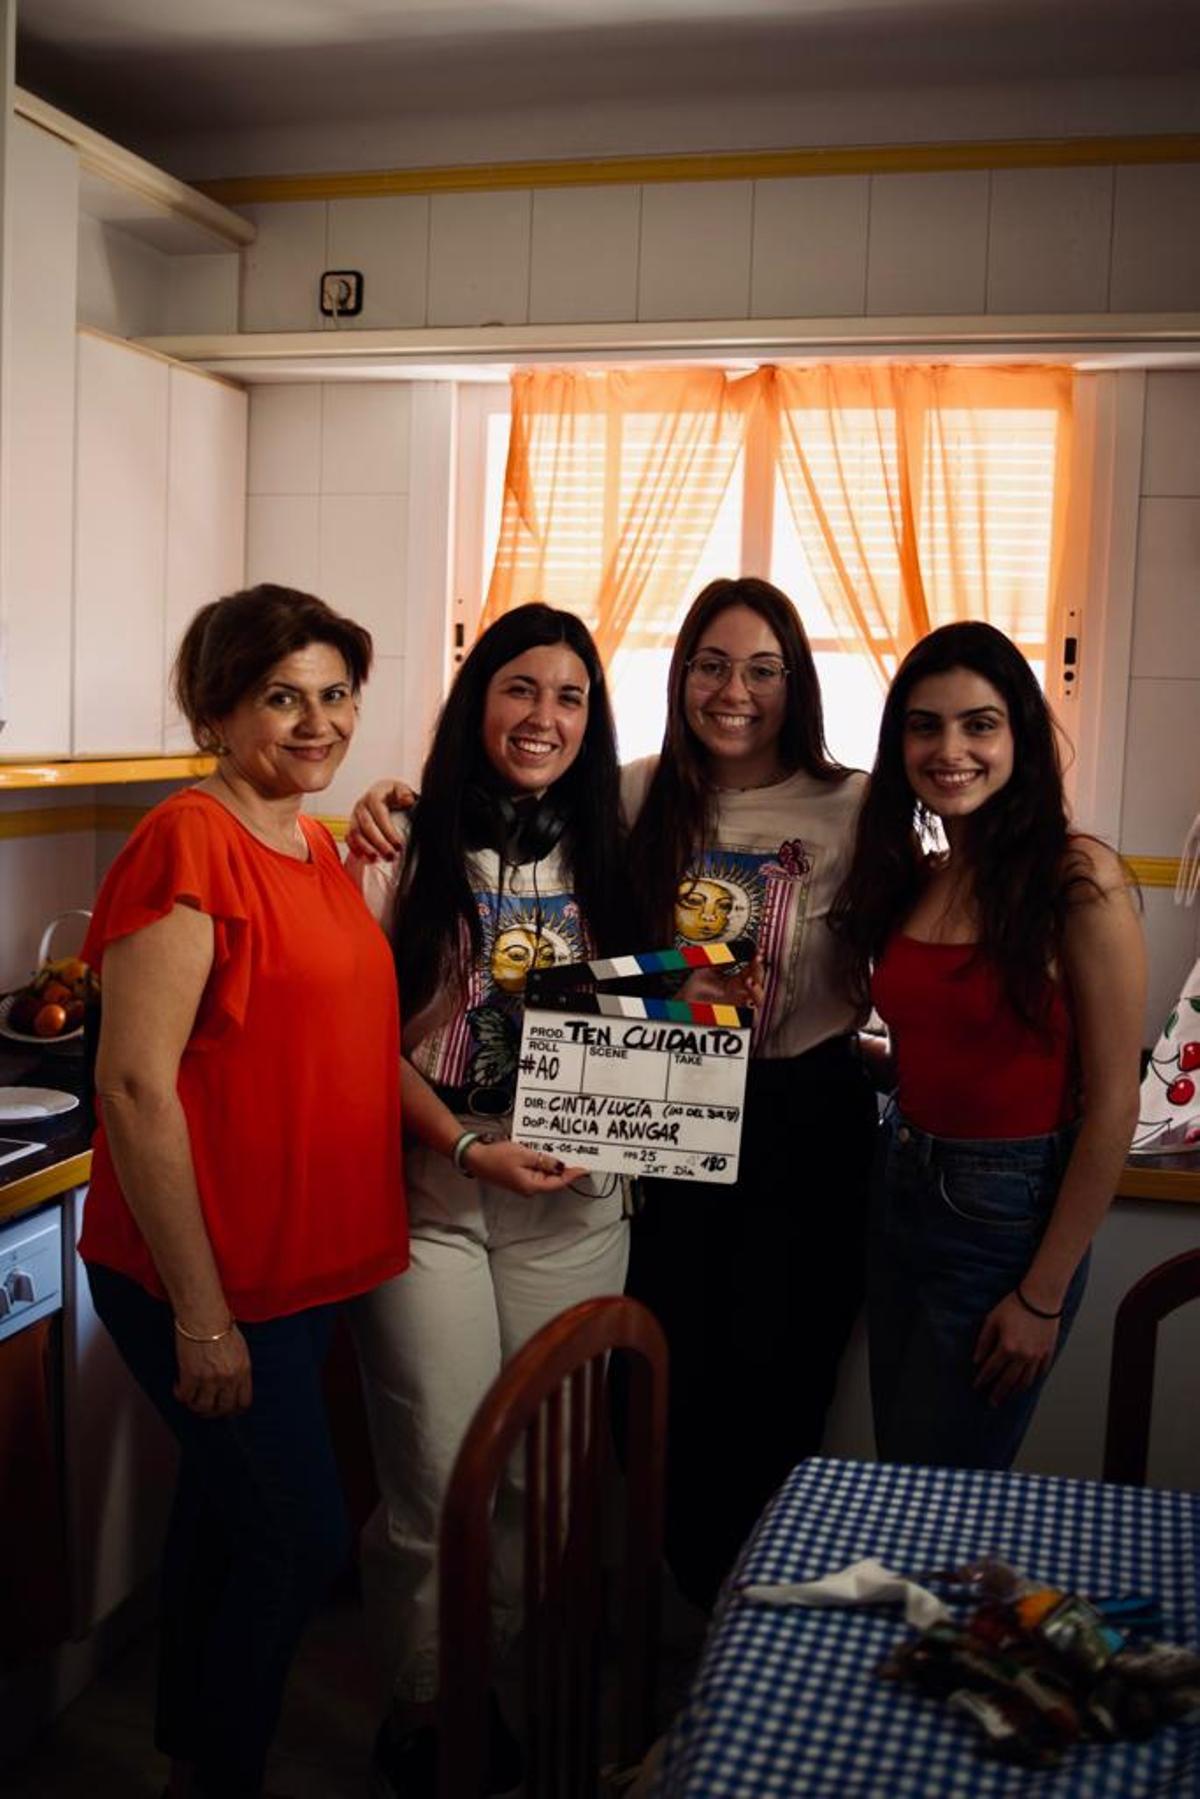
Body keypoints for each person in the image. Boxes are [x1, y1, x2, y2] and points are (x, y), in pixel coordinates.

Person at [79, 584, 407, 1799]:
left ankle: (186, 1759)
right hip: (213, 1276)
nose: (317, 722)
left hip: (297, 1266)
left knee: (228, 1518)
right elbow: (131, 1085)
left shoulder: (313, 841)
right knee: (297, 1531)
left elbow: (333, 1039)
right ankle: (220, 1773)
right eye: (282, 696)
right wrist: (201, 1312)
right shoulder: (189, 837)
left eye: (334, 693)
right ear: (217, 708)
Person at [345, 602, 631, 1798]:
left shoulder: (626, 844)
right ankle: (425, 1701)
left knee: (543, 1473)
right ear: (479, 699)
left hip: (577, 1203)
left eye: (569, 696)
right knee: (437, 1462)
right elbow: (361, 1038)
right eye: (521, 688)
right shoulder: (397, 845)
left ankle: (485, 1677)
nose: (544, 717)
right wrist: (465, 1145)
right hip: (435, 1188)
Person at [830, 620, 1145, 1471]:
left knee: (944, 1485)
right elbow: (947, 1053)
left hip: (1004, 1219)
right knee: (906, 1464)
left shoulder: (1078, 878)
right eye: (925, 725)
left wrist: (1040, 1297)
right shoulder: (923, 878)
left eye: (980, 723)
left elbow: (1116, 1100)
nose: (949, 748)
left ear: (1021, 738)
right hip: (899, 1184)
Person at [622, 577, 877, 1609]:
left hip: (805, 1115)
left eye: (764, 668)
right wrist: (387, 805)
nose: (737, 690)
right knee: (663, 1383)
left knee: (783, 1386)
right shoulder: (631, 791)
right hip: (665, 1105)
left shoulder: (855, 802)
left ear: (796, 682)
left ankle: (759, 1613)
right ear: (683, 675)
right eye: (714, 664)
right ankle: (686, 1619)